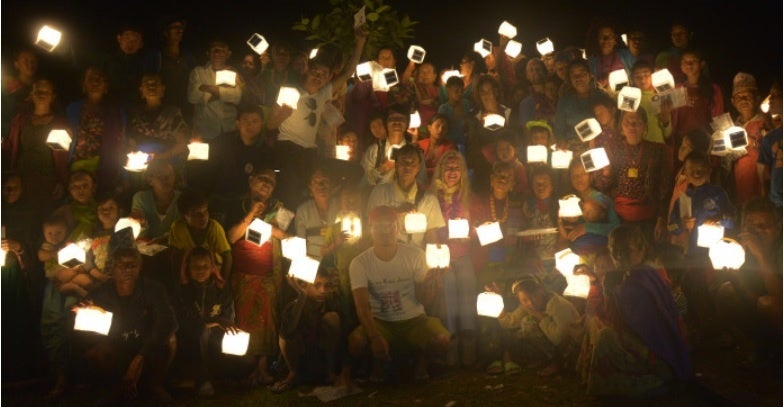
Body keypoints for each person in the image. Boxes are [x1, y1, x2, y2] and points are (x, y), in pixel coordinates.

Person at [577, 224, 692, 396]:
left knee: (605, 337)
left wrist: (609, 291)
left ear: (641, 248)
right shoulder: (647, 271)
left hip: (660, 358)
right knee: (598, 326)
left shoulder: (634, 283)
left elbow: (624, 325)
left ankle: (648, 384)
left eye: (626, 250)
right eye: (615, 250)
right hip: (670, 352)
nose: (619, 256)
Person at [266, 26, 367, 209]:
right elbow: (271, 124)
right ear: (308, 71)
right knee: (292, 198)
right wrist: (282, 115)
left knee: (356, 171)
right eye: (315, 72)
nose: (318, 77)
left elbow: (348, 72)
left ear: (328, 78)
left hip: (310, 154)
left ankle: (338, 208)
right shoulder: (290, 91)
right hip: (288, 150)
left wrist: (360, 42)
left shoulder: (323, 95)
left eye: (323, 75)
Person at [347, 205, 450, 382]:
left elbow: (424, 301)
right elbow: (362, 307)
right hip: (380, 321)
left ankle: (421, 362)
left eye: (390, 225)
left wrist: (429, 283)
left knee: (441, 339)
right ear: (370, 228)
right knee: (356, 342)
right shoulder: (360, 263)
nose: (385, 231)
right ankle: (377, 365)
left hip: (414, 319)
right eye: (379, 226)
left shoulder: (415, 255)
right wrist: (374, 336)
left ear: (398, 228)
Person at [72, 247, 177, 405]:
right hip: (116, 345)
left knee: (170, 339)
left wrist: (141, 356)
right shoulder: (101, 292)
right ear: (113, 269)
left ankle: (154, 385)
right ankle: (116, 387)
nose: (127, 270)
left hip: (145, 344)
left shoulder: (153, 288)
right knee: (97, 350)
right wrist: (84, 310)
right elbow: (80, 317)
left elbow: (168, 321)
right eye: (122, 265)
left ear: (140, 267)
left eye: (132, 265)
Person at [223, 168, 289, 387]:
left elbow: (285, 236)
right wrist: (251, 214)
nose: (267, 184)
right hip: (242, 274)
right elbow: (231, 237)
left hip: (268, 273)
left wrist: (266, 226)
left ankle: (263, 366)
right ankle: (247, 367)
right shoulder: (236, 205)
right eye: (263, 179)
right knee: (245, 319)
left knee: (268, 319)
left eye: (272, 182)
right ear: (251, 180)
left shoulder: (278, 208)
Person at [713, 198, 781, 365]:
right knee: (726, 291)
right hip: (759, 304)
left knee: (769, 304)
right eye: (750, 227)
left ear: (778, 228)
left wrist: (761, 256)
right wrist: (734, 269)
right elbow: (743, 290)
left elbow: (780, 294)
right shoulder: (740, 246)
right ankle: (756, 345)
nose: (756, 232)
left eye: (763, 226)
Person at [594, 109, 673, 243]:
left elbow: (664, 187)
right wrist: (606, 173)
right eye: (627, 122)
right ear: (621, 126)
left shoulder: (657, 151)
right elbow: (601, 187)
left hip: (649, 218)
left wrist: (662, 218)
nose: (632, 126)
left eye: (637, 122)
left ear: (645, 127)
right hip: (618, 218)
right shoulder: (611, 150)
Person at [429, 151, 478, 367]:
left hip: (463, 252)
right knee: (447, 285)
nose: (452, 172)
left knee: (467, 283)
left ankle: (468, 341)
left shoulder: (468, 197)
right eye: (448, 168)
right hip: (441, 254)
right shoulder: (431, 196)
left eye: (456, 168)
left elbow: (477, 225)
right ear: (440, 170)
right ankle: (451, 341)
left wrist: (472, 232)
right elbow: (428, 228)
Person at [485, 276, 583, 377]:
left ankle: (558, 362)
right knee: (522, 329)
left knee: (528, 323)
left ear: (541, 291)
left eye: (534, 296)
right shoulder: (528, 306)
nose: (530, 303)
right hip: (556, 344)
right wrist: (498, 300)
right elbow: (509, 322)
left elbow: (560, 338)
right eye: (524, 300)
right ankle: (545, 359)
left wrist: (539, 316)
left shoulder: (558, 305)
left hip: (572, 348)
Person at [172, 246, 236, 397]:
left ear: (213, 267)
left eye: (205, 266)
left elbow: (228, 313)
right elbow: (179, 317)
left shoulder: (221, 288)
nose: (200, 270)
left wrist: (223, 323)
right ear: (188, 268)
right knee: (202, 333)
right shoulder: (183, 290)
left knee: (246, 361)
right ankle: (203, 379)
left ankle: (223, 376)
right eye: (196, 267)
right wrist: (202, 325)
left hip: (218, 333)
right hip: (190, 336)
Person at [271, 269, 347, 393]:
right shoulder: (294, 306)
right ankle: (293, 374)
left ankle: (330, 372)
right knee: (286, 334)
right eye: (317, 285)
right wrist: (302, 295)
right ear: (305, 286)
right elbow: (287, 333)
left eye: (327, 285)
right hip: (298, 360)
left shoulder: (331, 304)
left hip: (319, 359)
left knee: (333, 318)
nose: (322, 290)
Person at [3, 78, 70, 210]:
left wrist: (62, 181)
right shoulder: (21, 120)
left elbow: (63, 156)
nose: (41, 95)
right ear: (32, 95)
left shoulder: (59, 123)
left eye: (46, 92)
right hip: (21, 179)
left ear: (52, 96)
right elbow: (10, 146)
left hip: (46, 179)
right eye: (38, 91)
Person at [366, 144, 444, 248]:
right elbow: (369, 223)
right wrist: (397, 211)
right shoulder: (380, 192)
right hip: (386, 251)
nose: (408, 167)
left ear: (418, 167)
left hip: (415, 253)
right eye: (403, 162)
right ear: (396, 165)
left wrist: (436, 253)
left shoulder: (429, 200)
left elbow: (431, 235)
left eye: (413, 163)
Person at [65, 66, 126, 196]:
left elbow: (122, 142)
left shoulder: (116, 111)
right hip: (77, 167)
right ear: (84, 84)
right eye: (91, 79)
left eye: (100, 79)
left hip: (105, 166)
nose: (95, 82)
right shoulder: (73, 109)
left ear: (106, 86)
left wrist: (124, 174)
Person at [207, 104, 273, 222]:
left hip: (245, 204)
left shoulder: (265, 152)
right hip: (218, 198)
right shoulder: (223, 142)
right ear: (238, 123)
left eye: (255, 121)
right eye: (245, 120)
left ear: (261, 124)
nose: (250, 125)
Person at [168, 189, 232, 284]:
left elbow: (227, 257)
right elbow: (175, 256)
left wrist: (222, 283)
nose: (203, 217)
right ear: (184, 216)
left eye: (205, 211)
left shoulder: (214, 228)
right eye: (196, 213)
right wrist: (177, 281)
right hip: (191, 272)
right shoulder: (179, 228)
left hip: (213, 271)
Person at [670, 48, 724, 156]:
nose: (689, 65)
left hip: (703, 141)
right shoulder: (678, 89)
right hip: (682, 141)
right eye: (685, 61)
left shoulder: (712, 89)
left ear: (702, 64)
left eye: (693, 61)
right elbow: (673, 117)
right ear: (681, 66)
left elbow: (718, 117)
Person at [125, 73, 189, 165]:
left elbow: (182, 144)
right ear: (141, 90)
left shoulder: (172, 113)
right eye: (147, 84)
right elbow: (132, 142)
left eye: (155, 84)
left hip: (168, 164)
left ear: (162, 89)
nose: (151, 87)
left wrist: (160, 156)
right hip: (142, 164)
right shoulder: (136, 115)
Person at [187, 40, 243, 141]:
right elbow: (193, 96)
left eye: (222, 51)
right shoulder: (198, 72)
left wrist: (209, 89)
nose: (218, 54)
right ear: (208, 53)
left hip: (229, 129)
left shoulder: (233, 72)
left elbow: (237, 97)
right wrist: (224, 94)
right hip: (205, 130)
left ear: (228, 54)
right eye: (215, 50)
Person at [144, 16, 196, 122]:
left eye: (181, 28)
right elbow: (148, 80)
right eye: (175, 27)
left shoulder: (188, 56)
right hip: (163, 108)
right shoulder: (156, 55)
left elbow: (193, 82)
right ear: (166, 32)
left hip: (184, 106)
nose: (179, 30)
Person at [728, 72, 766, 207]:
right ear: (733, 102)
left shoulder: (765, 123)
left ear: (757, 99)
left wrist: (753, 143)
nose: (743, 100)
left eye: (747, 96)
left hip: (761, 183)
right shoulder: (732, 127)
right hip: (740, 184)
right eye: (738, 97)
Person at [553, 59, 605, 151]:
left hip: (600, 145)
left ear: (590, 75)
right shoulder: (565, 100)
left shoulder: (601, 97)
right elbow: (559, 128)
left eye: (582, 73)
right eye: (573, 75)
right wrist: (561, 141)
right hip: (572, 147)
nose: (578, 78)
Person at [130, 159, 181, 241]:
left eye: (170, 175)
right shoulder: (141, 198)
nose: (166, 179)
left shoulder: (182, 198)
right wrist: (139, 221)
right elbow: (138, 228)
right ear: (150, 180)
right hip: (147, 246)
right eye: (161, 176)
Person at [295, 168, 340, 261]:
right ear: (311, 188)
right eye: (316, 182)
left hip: (340, 263)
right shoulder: (303, 211)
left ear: (332, 186)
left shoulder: (340, 206)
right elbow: (300, 244)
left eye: (325, 181)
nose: (321, 185)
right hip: (312, 263)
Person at [630, 60, 674, 145]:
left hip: (657, 146)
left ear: (653, 75)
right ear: (632, 79)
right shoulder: (630, 98)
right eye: (637, 77)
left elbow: (667, 134)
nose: (642, 79)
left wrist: (666, 121)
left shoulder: (660, 97)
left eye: (646, 75)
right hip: (637, 147)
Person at [585, 20, 634, 90]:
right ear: (597, 40)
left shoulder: (627, 56)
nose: (606, 40)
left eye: (610, 36)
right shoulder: (591, 62)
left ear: (615, 40)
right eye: (602, 36)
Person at [758, 79, 782, 207]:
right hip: (778, 204)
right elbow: (765, 176)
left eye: (777, 95)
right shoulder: (769, 139)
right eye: (770, 96)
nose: (770, 100)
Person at [417, 113, 456, 186]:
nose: (440, 130)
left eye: (444, 128)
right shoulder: (420, 144)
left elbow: (445, 169)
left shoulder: (450, 147)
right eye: (437, 126)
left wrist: (423, 171)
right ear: (429, 128)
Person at [517, 58, 556, 127]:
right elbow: (526, 128)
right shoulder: (525, 103)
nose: (535, 72)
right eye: (531, 70)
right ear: (527, 75)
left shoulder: (557, 93)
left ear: (545, 72)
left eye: (538, 69)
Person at [438, 76, 472, 153]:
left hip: (467, 144)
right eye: (456, 91)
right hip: (450, 144)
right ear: (448, 90)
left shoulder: (467, 104)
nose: (460, 93)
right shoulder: (444, 109)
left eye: (462, 91)